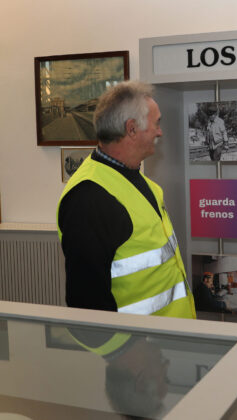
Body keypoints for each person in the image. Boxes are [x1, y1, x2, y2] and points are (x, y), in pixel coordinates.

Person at [57, 80, 196, 319]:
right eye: (157, 123)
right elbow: (86, 302)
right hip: (140, 349)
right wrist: (125, 354)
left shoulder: (139, 180)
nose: (160, 132)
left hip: (171, 342)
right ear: (131, 129)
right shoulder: (89, 198)